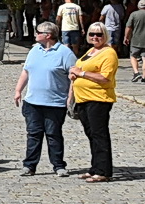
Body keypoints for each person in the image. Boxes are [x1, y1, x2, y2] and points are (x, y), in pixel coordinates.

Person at [15, 21, 75, 177]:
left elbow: (73, 78)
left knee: (53, 134)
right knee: (33, 134)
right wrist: (18, 90)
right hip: (33, 102)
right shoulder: (34, 51)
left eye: (38, 32)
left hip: (54, 103)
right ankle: (29, 166)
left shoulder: (65, 53)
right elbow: (26, 72)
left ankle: (58, 165)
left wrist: (70, 98)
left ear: (48, 35)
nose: (35, 34)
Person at [71, 22, 118, 183]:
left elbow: (105, 78)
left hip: (98, 98)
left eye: (99, 34)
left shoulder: (108, 53)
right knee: (91, 134)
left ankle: (103, 170)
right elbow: (82, 69)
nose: (95, 37)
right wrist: (75, 74)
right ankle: (95, 167)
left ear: (105, 35)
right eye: (92, 34)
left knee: (99, 135)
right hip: (83, 98)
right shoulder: (91, 51)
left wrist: (82, 73)